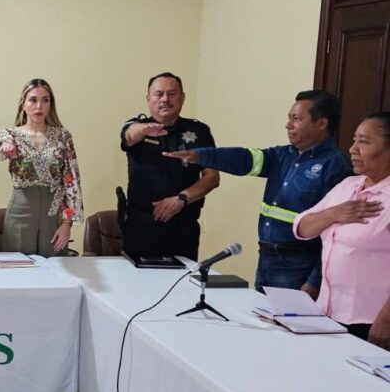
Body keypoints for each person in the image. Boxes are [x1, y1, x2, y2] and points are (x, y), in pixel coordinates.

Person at [163, 90, 350, 295]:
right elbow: (243, 159)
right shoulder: (282, 155)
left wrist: (315, 280)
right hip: (267, 258)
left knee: (287, 324)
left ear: (321, 123)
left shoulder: (334, 165)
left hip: (299, 265)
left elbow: (334, 232)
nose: (288, 125)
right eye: (289, 118)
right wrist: (200, 155)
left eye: (296, 119)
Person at [294, 112, 390, 349]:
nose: (352, 149)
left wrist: (386, 320)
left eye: (364, 142)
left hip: (369, 321)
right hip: (325, 313)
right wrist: (333, 214)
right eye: (354, 140)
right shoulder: (348, 186)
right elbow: (302, 227)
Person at [120, 72, 219, 261]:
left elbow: (212, 177)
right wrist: (145, 129)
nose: (165, 99)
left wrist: (180, 199)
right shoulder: (137, 127)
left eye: (172, 93)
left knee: (181, 288)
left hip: (182, 229)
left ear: (182, 98)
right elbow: (129, 135)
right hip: (140, 230)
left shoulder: (199, 132)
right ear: (148, 99)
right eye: (159, 94)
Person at [0, 78, 83, 256]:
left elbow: (71, 182)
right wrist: (6, 148)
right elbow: (0, 151)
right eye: (33, 100)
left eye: (45, 100)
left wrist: (66, 224)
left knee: (55, 269)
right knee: (19, 270)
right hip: (21, 209)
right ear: (23, 104)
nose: (39, 106)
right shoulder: (10, 135)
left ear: (51, 104)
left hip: (53, 213)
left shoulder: (62, 136)